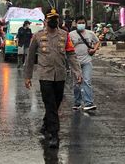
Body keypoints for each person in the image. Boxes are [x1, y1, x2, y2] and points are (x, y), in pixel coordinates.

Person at [24, 9, 82, 149]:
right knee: (50, 104)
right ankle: (54, 134)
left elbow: (71, 55)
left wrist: (77, 71)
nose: (53, 22)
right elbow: (30, 57)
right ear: (46, 21)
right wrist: (28, 76)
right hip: (45, 76)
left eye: (55, 19)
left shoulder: (65, 36)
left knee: (56, 103)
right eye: (51, 19)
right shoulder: (38, 37)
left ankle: (46, 124)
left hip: (60, 76)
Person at [69, 15, 100, 111]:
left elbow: (97, 42)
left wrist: (93, 50)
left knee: (87, 81)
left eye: (83, 23)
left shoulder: (90, 33)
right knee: (76, 83)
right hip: (75, 63)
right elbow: (68, 48)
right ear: (75, 23)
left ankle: (88, 103)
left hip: (87, 61)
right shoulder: (71, 35)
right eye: (79, 23)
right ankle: (77, 102)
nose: (81, 24)